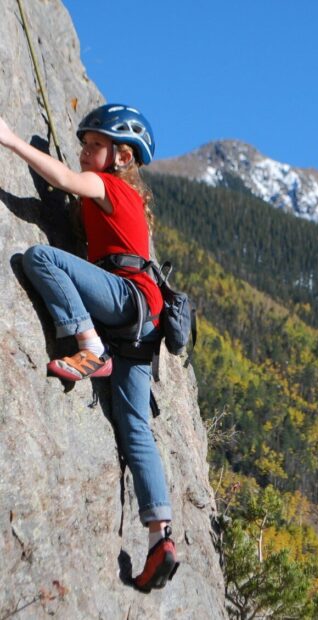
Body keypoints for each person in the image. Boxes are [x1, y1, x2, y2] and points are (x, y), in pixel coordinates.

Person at [0, 103, 179, 592]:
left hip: (126, 300)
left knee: (40, 258)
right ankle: (159, 535)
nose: (83, 151)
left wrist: (12, 141)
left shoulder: (109, 186)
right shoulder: (130, 201)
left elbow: (60, 178)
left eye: (94, 144)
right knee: (134, 428)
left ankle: (88, 345)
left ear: (121, 156)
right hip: (144, 322)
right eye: (84, 143)